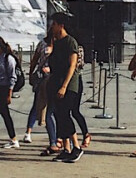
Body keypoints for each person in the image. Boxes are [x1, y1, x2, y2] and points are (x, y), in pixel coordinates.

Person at [47, 13, 83, 163]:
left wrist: (64, 86)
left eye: (54, 24)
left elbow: (72, 65)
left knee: (65, 114)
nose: (52, 27)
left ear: (61, 25)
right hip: (55, 82)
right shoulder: (57, 42)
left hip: (68, 85)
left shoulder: (70, 42)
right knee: (59, 114)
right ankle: (66, 148)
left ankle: (77, 147)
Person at [25, 34, 59, 152]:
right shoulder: (43, 44)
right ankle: (29, 131)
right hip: (42, 79)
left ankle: (57, 140)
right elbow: (35, 59)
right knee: (37, 105)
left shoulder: (61, 44)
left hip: (54, 79)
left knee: (53, 111)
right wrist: (31, 74)